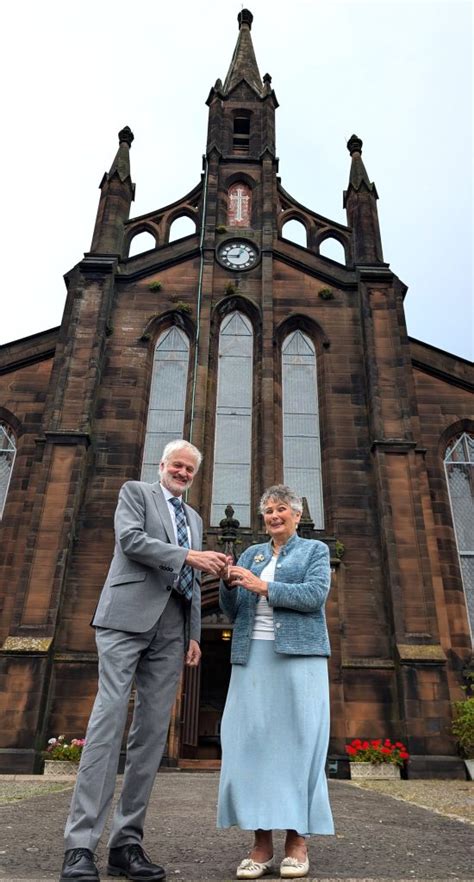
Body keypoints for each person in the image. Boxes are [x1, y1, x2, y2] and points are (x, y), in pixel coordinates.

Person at [60, 440, 228, 882]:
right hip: (125, 618)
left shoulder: (193, 518)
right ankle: (79, 847)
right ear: (162, 465)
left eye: (191, 469)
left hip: (172, 630)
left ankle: (126, 844)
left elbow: (192, 580)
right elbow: (131, 541)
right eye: (178, 465)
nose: (183, 473)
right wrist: (190, 554)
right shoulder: (136, 492)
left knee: (152, 735)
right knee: (107, 722)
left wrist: (194, 634)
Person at [217, 485, 334, 880]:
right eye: (268, 510)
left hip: (300, 659)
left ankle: (297, 842)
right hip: (252, 658)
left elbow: (315, 595)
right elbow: (234, 610)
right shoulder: (253, 553)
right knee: (251, 746)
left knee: (300, 745)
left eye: (281, 509)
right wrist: (228, 582)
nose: (273, 515)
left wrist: (263, 585)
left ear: (297, 515)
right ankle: (261, 844)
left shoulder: (314, 551)